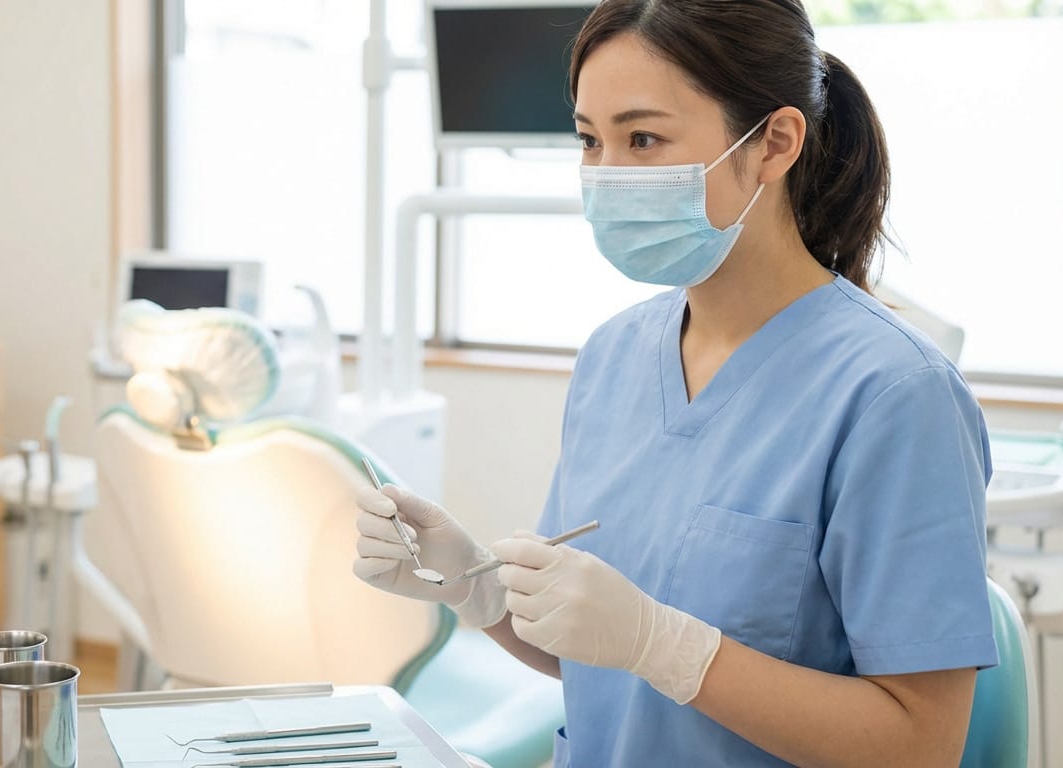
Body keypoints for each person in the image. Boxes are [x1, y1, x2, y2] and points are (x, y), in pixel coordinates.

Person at [352, 1, 996, 765]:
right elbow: (600, 661)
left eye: (644, 138)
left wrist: (669, 646)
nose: (607, 175)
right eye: (590, 140)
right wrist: (477, 589)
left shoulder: (894, 395)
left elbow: (919, 745)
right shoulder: (613, 358)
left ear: (774, 144)